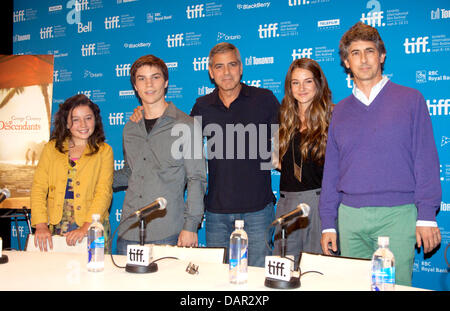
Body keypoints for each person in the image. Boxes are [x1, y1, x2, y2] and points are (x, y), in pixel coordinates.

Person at [319, 22, 441, 286]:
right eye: (355, 53)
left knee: (395, 287)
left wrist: (427, 215)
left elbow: (426, 160)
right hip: (350, 216)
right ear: (346, 61)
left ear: (382, 55)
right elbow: (332, 172)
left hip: (397, 215)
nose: (363, 59)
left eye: (369, 51)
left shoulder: (411, 99)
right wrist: (328, 223)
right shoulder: (339, 111)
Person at [113, 55, 207, 254]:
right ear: (135, 86)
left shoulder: (186, 125)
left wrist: (190, 226)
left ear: (165, 82)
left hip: (167, 232)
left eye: (155, 77)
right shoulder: (130, 128)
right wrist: (92, 176)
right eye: (141, 78)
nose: (149, 84)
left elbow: (196, 179)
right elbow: (132, 173)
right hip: (127, 232)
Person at [31, 94, 113, 252]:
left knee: (94, 273)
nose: (83, 124)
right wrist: (41, 225)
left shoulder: (104, 151)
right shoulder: (51, 148)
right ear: (67, 123)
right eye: (76, 119)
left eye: (88, 118)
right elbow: (39, 188)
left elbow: (103, 192)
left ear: (95, 120)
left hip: (92, 226)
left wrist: (85, 228)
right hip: (56, 227)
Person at [272, 58, 333, 267]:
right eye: (295, 82)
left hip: (319, 202)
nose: (302, 88)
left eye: (308, 81)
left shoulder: (332, 117)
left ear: (318, 83)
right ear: (289, 87)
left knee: (316, 272)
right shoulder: (284, 118)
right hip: (287, 203)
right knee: (283, 271)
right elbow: (279, 162)